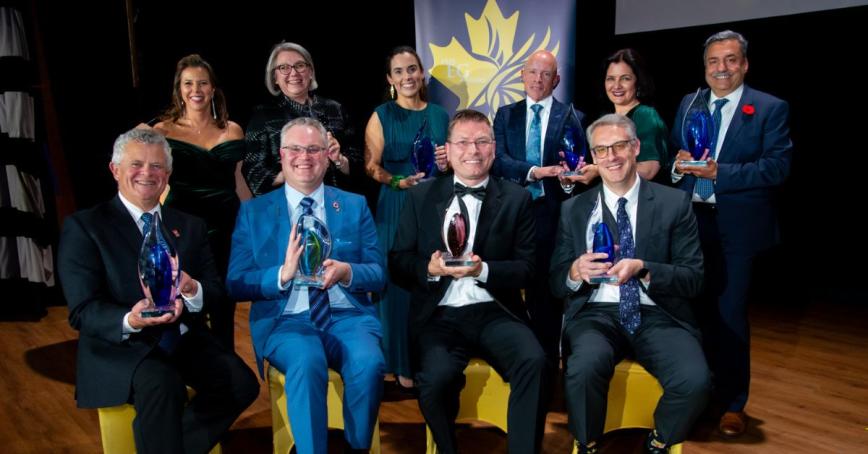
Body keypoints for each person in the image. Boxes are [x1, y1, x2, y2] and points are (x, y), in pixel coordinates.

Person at [57, 128, 258, 454]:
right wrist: (131, 319)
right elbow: (83, 310)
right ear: (115, 170)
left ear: (168, 175)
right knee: (164, 385)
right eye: (137, 164)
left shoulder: (190, 225)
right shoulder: (86, 227)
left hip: (181, 337)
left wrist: (192, 290)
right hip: (121, 346)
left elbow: (215, 291)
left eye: (156, 167)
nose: (147, 174)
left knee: (241, 383)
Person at [390, 109, 549, 454]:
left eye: (481, 141)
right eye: (463, 142)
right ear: (448, 149)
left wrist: (484, 270)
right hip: (440, 315)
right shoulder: (420, 197)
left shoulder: (517, 198)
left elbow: (527, 268)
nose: (473, 150)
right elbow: (398, 263)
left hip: (495, 310)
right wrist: (431, 269)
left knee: (534, 361)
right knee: (434, 381)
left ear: (493, 149)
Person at [550, 114, 710, 454]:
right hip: (596, 313)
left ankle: (659, 441)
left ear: (635, 147)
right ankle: (587, 443)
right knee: (582, 368)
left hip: (659, 313)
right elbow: (555, 281)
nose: (612, 156)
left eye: (620, 145)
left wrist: (645, 269)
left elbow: (694, 278)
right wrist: (575, 272)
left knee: (695, 381)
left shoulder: (674, 203)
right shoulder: (573, 210)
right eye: (602, 149)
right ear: (592, 156)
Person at [227, 117, 385, 454]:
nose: (305, 157)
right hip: (287, 320)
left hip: (347, 317)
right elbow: (236, 282)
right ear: (282, 155)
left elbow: (378, 272)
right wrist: (280, 274)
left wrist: (347, 272)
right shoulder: (254, 212)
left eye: (314, 149)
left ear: (328, 155)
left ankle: (358, 448)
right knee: (307, 359)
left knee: (369, 362)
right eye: (295, 149)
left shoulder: (354, 205)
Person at [671, 30, 793, 437]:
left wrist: (719, 173)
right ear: (705, 67)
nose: (721, 69)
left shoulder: (769, 108)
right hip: (690, 224)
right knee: (692, 314)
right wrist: (680, 165)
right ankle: (697, 395)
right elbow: (679, 157)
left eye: (729, 60)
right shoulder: (689, 104)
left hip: (737, 229)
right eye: (713, 62)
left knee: (730, 316)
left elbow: (776, 167)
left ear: (744, 64)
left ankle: (733, 403)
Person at [490, 49, 586, 360]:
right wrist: (534, 172)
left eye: (546, 74)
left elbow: (576, 167)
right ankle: (514, 358)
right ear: (521, 75)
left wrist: (568, 179)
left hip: (551, 214)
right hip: (511, 212)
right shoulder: (505, 115)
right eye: (532, 72)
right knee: (507, 287)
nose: (537, 79)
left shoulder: (574, 116)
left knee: (545, 292)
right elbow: (498, 161)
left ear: (556, 80)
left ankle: (546, 363)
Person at [149, 53, 250, 350]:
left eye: (202, 83)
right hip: (181, 223)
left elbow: (240, 182)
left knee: (223, 301)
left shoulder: (232, 129)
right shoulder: (162, 130)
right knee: (183, 299)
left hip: (226, 224)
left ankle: (226, 375)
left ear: (213, 88)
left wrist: (253, 224)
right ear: (179, 89)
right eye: (188, 83)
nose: (196, 90)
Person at [364, 45, 449, 388]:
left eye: (412, 69)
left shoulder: (442, 115)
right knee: (395, 286)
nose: (407, 77)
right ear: (390, 79)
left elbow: (449, 164)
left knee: (427, 284)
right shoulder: (381, 114)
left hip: (432, 206)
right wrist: (397, 181)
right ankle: (395, 364)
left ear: (422, 73)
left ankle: (421, 363)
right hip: (396, 205)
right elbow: (370, 166)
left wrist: (446, 164)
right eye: (398, 71)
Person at [244, 42, 360, 196]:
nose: (293, 73)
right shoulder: (263, 115)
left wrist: (339, 160)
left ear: (310, 71)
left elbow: (359, 165)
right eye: (284, 68)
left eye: (300, 65)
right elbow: (254, 173)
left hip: (337, 204)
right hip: (286, 208)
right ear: (275, 77)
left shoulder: (335, 108)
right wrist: (298, 169)